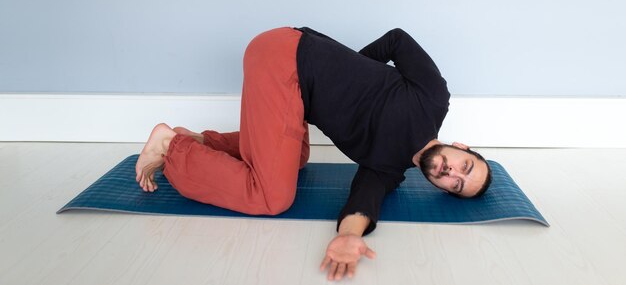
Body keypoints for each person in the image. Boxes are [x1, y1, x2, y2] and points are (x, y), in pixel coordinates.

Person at [135, 26, 492, 281]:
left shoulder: (386, 169)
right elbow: (398, 40)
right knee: (272, 196)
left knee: (297, 157)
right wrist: (352, 70)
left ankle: (197, 142)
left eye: (457, 184)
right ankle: (171, 148)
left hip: (293, 91)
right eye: (465, 166)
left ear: (441, 189)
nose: (452, 172)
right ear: (461, 147)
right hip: (286, 57)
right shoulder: (433, 99)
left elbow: (362, 203)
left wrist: (349, 236)